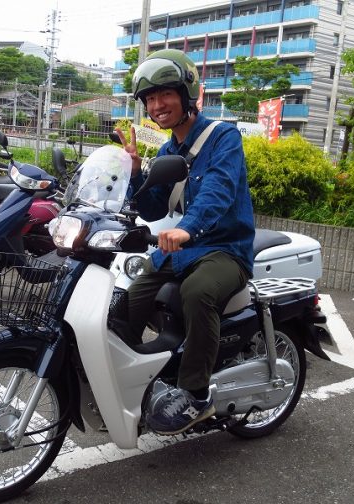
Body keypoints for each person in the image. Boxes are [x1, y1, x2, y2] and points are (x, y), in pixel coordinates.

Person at [115, 49, 255, 435]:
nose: (157, 105)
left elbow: (218, 191)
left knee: (197, 292)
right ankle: (131, 374)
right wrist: (134, 172)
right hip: (183, 249)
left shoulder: (222, 137)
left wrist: (188, 228)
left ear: (187, 93)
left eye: (165, 95)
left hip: (226, 249)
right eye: (150, 99)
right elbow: (154, 204)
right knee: (134, 289)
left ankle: (195, 394)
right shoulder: (167, 150)